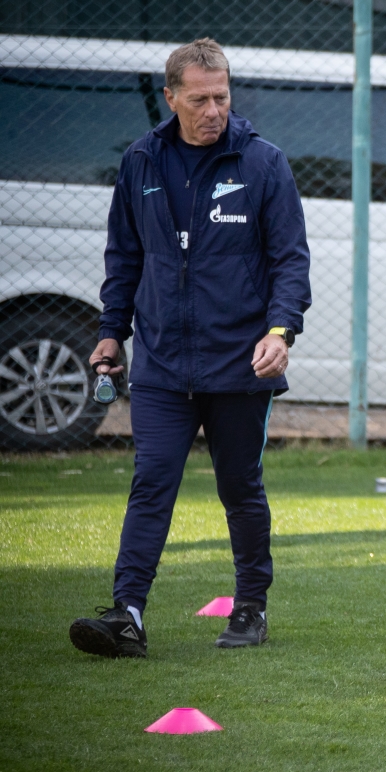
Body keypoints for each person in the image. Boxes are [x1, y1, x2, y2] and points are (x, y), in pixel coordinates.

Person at [69, 38, 311, 658]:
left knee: (240, 487)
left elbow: (290, 263)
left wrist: (280, 332)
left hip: (240, 363)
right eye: (199, 99)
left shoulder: (264, 165)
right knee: (152, 481)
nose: (213, 110)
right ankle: (127, 613)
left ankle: (250, 607)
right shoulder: (141, 163)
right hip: (160, 365)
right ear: (171, 96)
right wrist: (109, 333)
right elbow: (124, 257)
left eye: (222, 97)